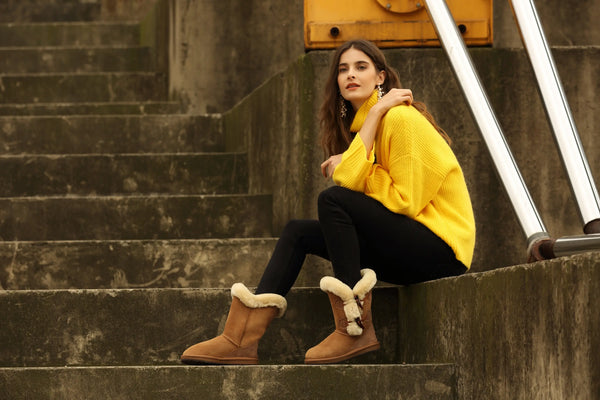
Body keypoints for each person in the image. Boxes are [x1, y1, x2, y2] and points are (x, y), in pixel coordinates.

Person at [180, 39, 476, 365]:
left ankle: (354, 328)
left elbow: (404, 201)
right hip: (411, 243)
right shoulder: (371, 127)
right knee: (298, 232)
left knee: (333, 200)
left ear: (381, 77)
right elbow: (361, 182)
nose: (350, 74)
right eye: (343, 69)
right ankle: (241, 339)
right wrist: (360, 150)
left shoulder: (399, 120)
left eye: (361, 67)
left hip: (441, 249)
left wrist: (374, 116)